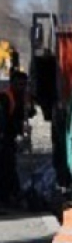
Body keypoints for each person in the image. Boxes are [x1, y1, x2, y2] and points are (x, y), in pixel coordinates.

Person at [0, 70, 35, 206]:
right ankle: (7, 196)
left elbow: (29, 113)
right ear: (12, 84)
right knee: (5, 168)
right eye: (19, 84)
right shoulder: (5, 98)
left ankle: (12, 195)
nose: (22, 87)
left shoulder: (24, 98)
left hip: (10, 138)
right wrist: (19, 128)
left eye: (24, 84)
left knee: (10, 166)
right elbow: (5, 122)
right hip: (4, 137)